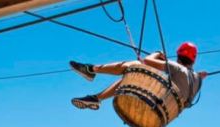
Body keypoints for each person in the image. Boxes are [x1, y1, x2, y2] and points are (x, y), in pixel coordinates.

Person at [69, 42, 207, 110]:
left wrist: (157, 53)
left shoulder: (176, 67)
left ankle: (91, 69)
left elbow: (146, 61)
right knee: (132, 75)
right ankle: (96, 98)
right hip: (165, 112)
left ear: (178, 56)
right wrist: (198, 76)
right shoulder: (198, 80)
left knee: (135, 65)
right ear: (194, 60)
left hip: (153, 102)